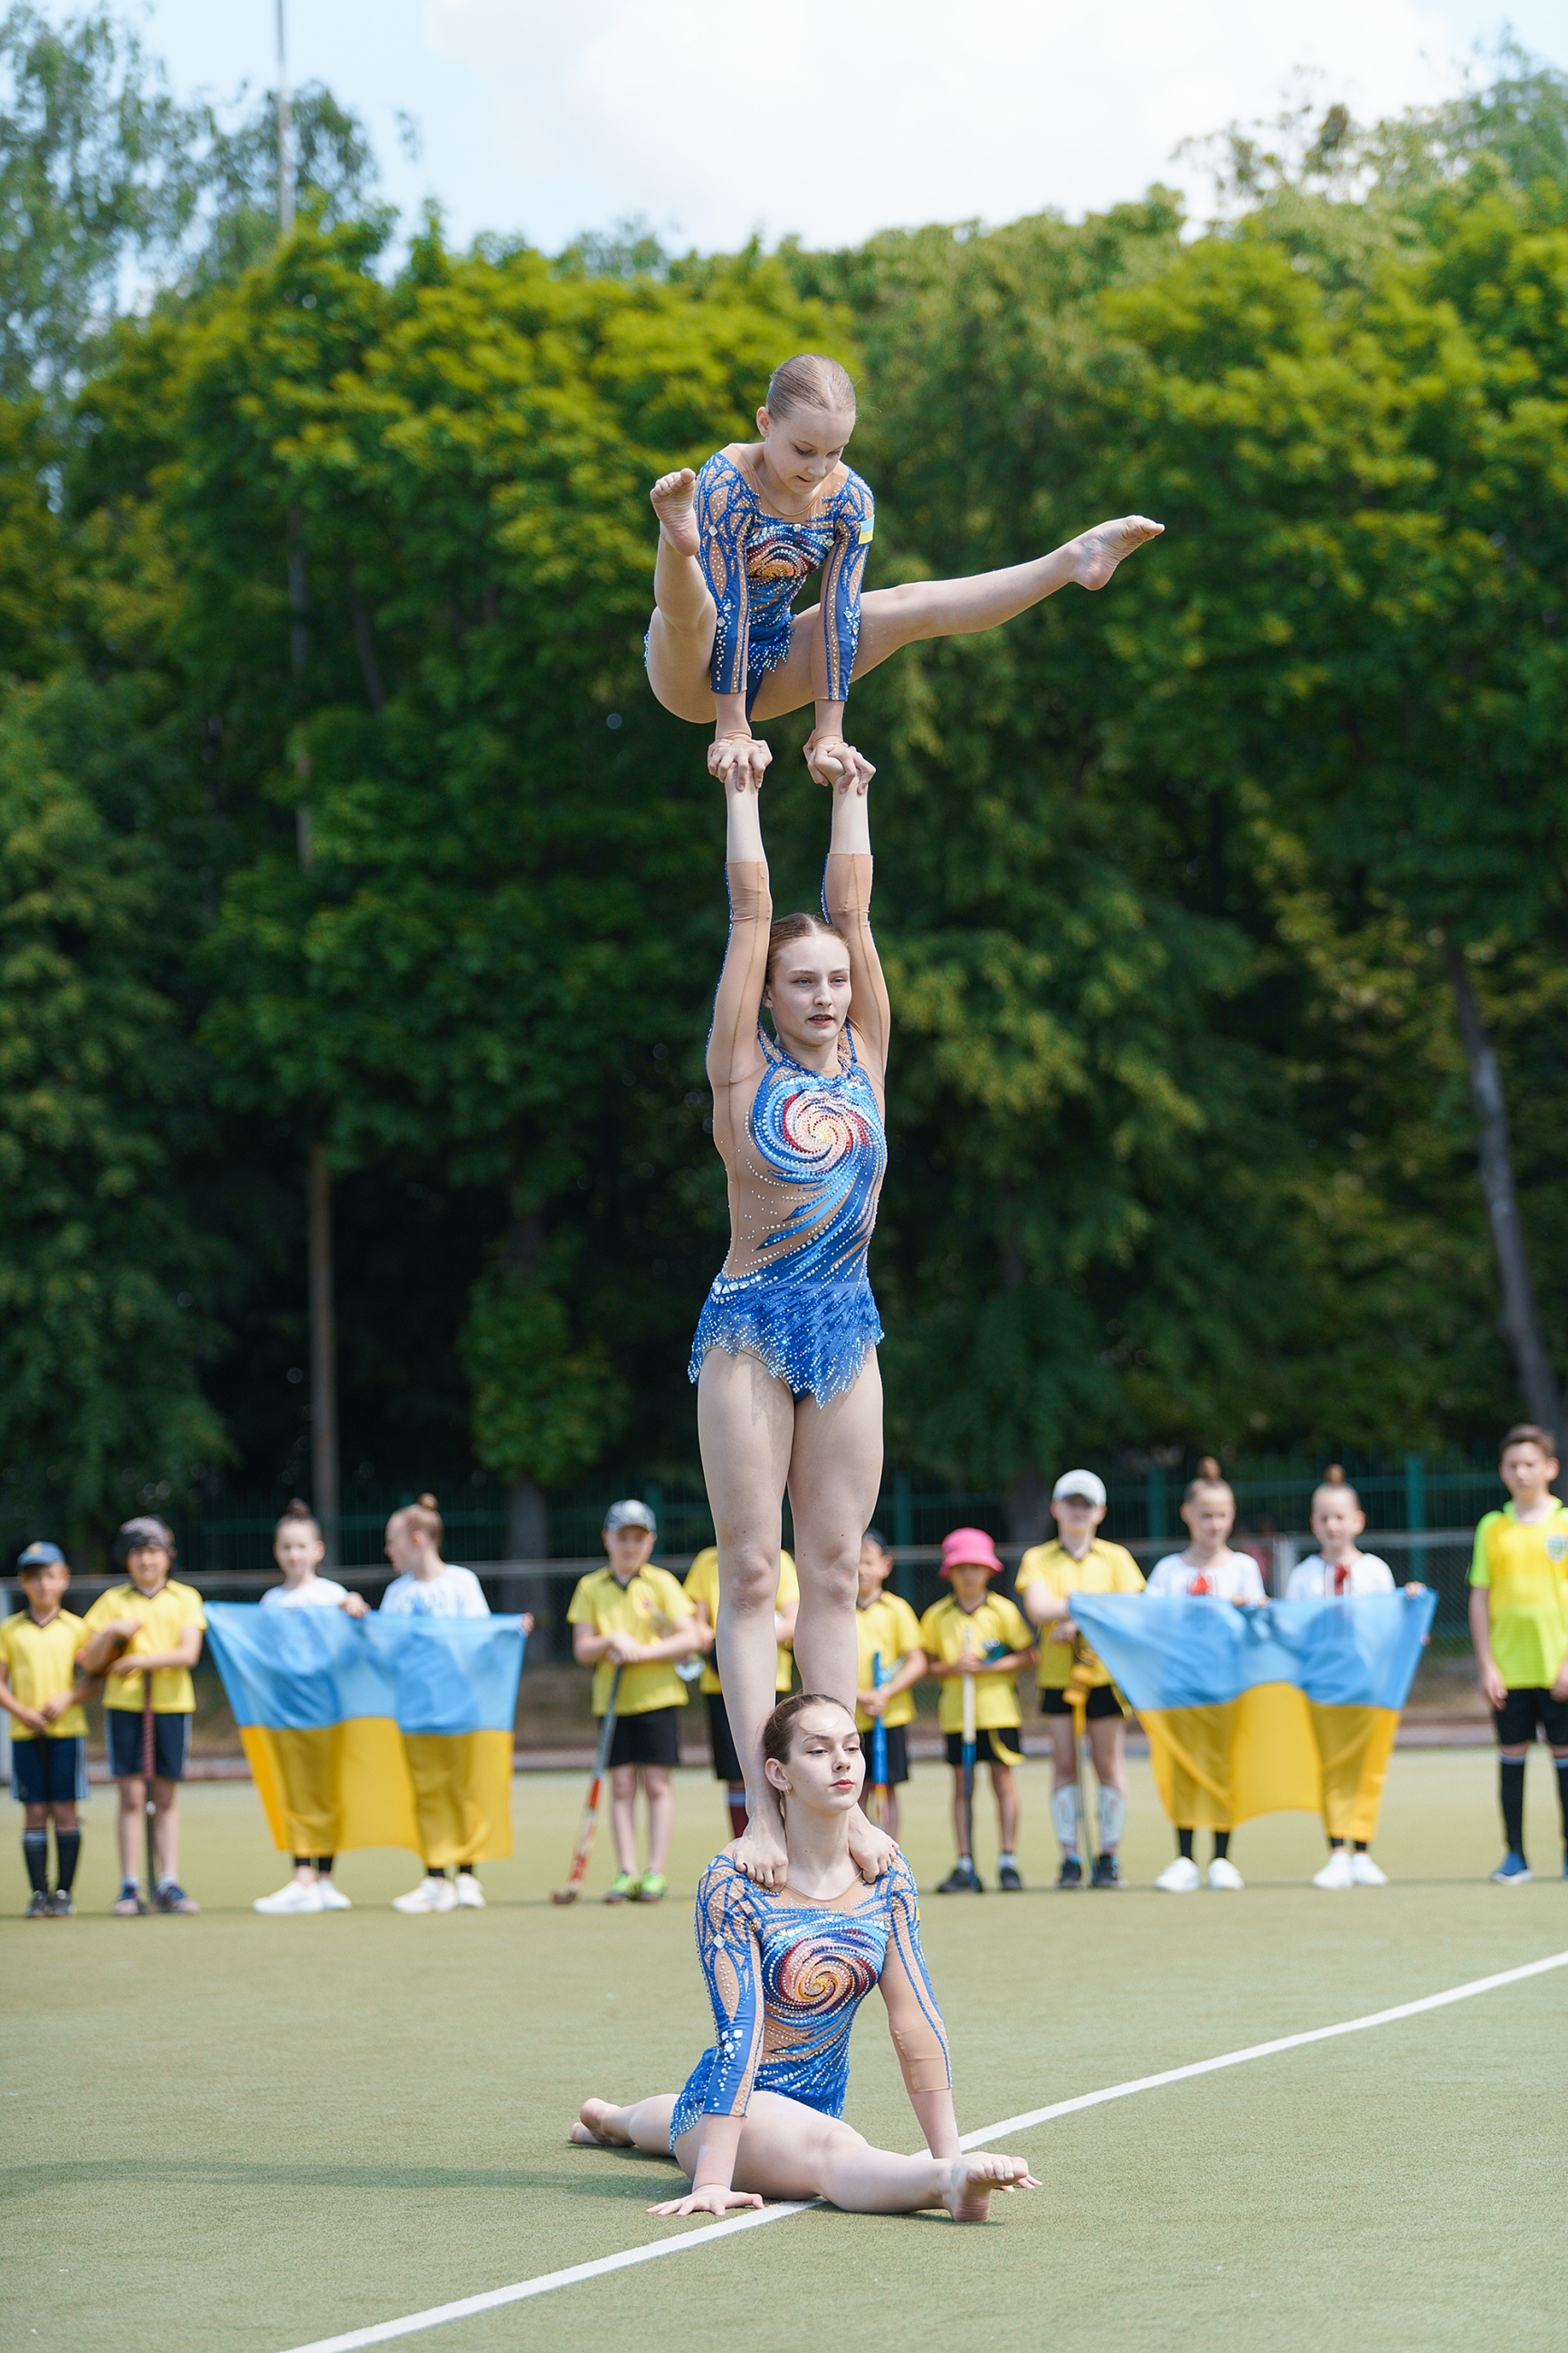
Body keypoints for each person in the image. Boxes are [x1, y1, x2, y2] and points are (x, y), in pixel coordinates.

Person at [570, 1692, 1039, 2224]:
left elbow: (915, 2020)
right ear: (778, 1773)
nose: (842, 1762)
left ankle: (610, 2119)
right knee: (831, 2149)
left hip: (809, 2103)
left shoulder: (885, 1876)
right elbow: (739, 2033)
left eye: (852, 1748)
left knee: (670, 2120)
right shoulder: (737, 1883)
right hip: (732, 2103)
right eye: (817, 1751)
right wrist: (712, 2181)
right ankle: (945, 2186)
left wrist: (950, 2145)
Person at [690, 740, 897, 1892]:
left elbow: (853, 912)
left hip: (846, 1322)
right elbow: (750, 911)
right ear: (770, 997)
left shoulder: (866, 1056)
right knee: (753, 1572)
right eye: (801, 981)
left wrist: (850, 797)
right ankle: (763, 1815)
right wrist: (744, 797)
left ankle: (836, 1809)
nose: (823, 994)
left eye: (831, 980)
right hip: (751, 1326)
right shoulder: (739, 1073)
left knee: (832, 1569)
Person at [646, 351, 1163, 794]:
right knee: (698, 610)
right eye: (803, 450)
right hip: (689, 666)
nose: (818, 468)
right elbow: (733, 607)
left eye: (835, 452)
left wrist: (829, 732)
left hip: (776, 657)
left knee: (905, 604)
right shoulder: (725, 481)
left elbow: (839, 615)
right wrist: (733, 731)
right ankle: (676, 538)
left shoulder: (850, 498)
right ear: (764, 423)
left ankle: (1071, 560)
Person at [378, 1493, 516, 1915]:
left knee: (462, 1790)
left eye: (394, 1541)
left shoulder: (460, 1583)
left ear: (417, 1538)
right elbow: (383, 1650)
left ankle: (467, 1877)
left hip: (462, 1709)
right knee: (426, 1794)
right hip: (415, 1711)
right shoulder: (397, 1593)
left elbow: (479, 1639)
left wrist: (510, 1632)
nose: (389, 1551)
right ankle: (435, 1878)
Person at [1287, 1467, 1420, 1891]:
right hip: (1323, 1687)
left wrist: (1412, 1606)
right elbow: (1290, 1629)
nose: (1332, 1526)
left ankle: (1362, 1849)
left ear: (1357, 1521)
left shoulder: (1376, 1572)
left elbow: (1391, 1623)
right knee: (1330, 1767)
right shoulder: (1303, 1576)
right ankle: (1336, 1852)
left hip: (1368, 1687)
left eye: (1340, 1517)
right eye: (1324, 1518)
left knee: (1366, 1766)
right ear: (1313, 1524)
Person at [567, 1500, 703, 1903]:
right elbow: (582, 1648)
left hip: (658, 1698)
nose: (630, 1546)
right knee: (622, 1785)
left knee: (657, 1784)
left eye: (638, 1538)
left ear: (651, 1542)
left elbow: (691, 1637)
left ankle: (654, 1871)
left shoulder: (661, 1583)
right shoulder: (591, 1587)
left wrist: (642, 1652)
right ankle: (626, 1870)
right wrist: (610, 1642)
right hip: (613, 1703)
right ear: (607, 1539)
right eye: (622, 1537)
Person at [1015, 1472, 1144, 1891]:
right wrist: (1090, 1610)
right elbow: (1038, 1608)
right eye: (1071, 1502)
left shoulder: (1116, 1558)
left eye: (1086, 1504)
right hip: (1058, 1676)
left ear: (1100, 1512)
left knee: (1108, 1764)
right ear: (1056, 1507)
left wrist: (1073, 1614)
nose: (1078, 1510)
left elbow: (1130, 1606)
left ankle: (1109, 1855)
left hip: (1104, 1675)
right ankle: (1070, 1856)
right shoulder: (1039, 1558)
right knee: (1065, 1764)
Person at [1142, 1459, 1266, 1893]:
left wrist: (1251, 1610)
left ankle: (1221, 1857)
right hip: (1179, 1689)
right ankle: (1183, 1857)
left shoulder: (1243, 1569)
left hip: (1228, 1688)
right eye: (1206, 1514)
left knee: (1223, 1768)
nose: (1215, 1524)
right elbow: (1147, 1622)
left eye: (1223, 1515)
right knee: (1184, 1768)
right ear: (1187, 1514)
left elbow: (1262, 1624)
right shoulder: (1168, 1572)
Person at [77, 1516, 205, 1916]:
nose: (146, 1560)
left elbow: (188, 1654)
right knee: (131, 1796)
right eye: (137, 1552)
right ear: (127, 1559)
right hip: (126, 1707)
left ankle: (168, 1881)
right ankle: (130, 1884)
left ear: (169, 1556)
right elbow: (88, 1661)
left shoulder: (185, 1597)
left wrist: (139, 1660)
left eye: (153, 1551)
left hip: (170, 1705)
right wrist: (111, 1633)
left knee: (165, 1795)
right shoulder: (113, 1602)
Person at [252, 1500, 368, 1916]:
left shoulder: (333, 1596)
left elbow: (355, 1645)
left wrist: (355, 1609)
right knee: (297, 1793)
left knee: (327, 1792)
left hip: (329, 1712)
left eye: (300, 1547)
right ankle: (301, 1875)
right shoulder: (270, 1603)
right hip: (287, 1716)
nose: (293, 1555)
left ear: (318, 1550)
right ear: (276, 1552)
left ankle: (324, 1880)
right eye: (285, 1547)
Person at [1468, 1423, 1568, 1885]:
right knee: (1512, 1759)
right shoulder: (1493, 1527)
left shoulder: (1564, 1524)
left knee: (1564, 1759)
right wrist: (1487, 1664)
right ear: (1502, 1472)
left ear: (1550, 1468)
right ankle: (1515, 1856)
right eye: (1512, 1465)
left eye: (1530, 1463)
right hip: (1509, 1670)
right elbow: (1479, 1597)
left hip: (1558, 1669)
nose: (1521, 1472)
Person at [917, 1529, 1035, 1893]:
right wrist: (954, 1668)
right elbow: (927, 1664)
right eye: (961, 1567)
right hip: (957, 1714)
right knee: (962, 1785)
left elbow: (1028, 1654)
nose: (969, 1574)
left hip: (999, 1713)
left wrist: (987, 1668)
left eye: (976, 1567)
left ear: (989, 1571)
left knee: (1003, 1782)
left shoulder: (1003, 1611)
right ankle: (965, 1861)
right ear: (950, 1572)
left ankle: (1008, 1860)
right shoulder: (938, 1616)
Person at [1, 1543, 95, 1916]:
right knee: (35, 1810)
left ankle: (64, 1893)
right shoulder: (10, 1630)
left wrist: (68, 1696)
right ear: (23, 1583)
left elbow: (94, 1681)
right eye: (35, 1577)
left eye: (50, 1576)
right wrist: (21, 1711)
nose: (43, 1584)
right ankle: (39, 1893)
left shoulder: (78, 1628)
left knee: (65, 1810)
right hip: (26, 1734)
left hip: (67, 1730)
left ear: (64, 1579)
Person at [684, 1538, 799, 1843]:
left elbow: (791, 1621)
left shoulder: (781, 1560)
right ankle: (745, 1842)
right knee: (737, 1776)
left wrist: (746, 1640)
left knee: (780, 1770)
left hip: (773, 1682)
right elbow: (697, 1623)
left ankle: (786, 1842)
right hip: (722, 1685)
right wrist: (719, 1642)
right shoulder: (707, 1561)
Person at [853, 1528, 926, 1842]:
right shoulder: (834, 1610)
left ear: (885, 1565)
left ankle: (889, 1850)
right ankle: (853, 1851)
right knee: (853, 1790)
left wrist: (886, 1693)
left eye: (867, 1562)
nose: (860, 1570)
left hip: (889, 1714)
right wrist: (860, 1696)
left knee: (888, 1786)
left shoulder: (897, 1609)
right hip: (849, 1717)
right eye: (854, 1562)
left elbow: (917, 1660)